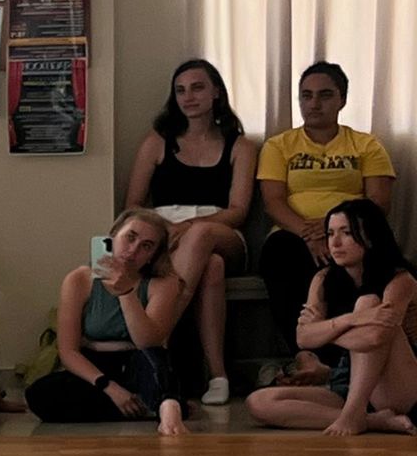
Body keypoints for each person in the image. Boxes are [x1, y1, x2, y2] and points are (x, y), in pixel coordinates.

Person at [126, 58, 257, 405]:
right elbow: (133, 205)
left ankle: (159, 338)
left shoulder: (240, 146)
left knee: (202, 238)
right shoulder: (157, 142)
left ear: (216, 92)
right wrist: (165, 230)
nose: (189, 97)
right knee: (210, 268)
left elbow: (238, 211)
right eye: (181, 90)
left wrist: (189, 227)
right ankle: (218, 375)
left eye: (198, 87)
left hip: (222, 230)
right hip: (163, 233)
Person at [257, 62, 395, 376]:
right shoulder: (279, 146)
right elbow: (273, 202)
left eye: (324, 95)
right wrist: (309, 234)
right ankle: (307, 356)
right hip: (293, 234)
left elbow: (378, 202)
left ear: (342, 100)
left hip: (354, 230)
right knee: (280, 254)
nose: (314, 103)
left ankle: (348, 360)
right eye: (306, 96)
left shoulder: (366, 145)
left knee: (354, 258)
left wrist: (330, 229)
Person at [246, 200, 417, 436]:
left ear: (370, 235)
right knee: (259, 402)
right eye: (330, 233)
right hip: (347, 381)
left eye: (346, 233)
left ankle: (353, 414)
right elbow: (303, 338)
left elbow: (375, 336)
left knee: (367, 302)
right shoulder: (324, 278)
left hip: (400, 384)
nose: (334, 243)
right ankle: (374, 420)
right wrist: (349, 321)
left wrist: (326, 332)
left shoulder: (400, 279)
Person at [24, 207, 188, 435]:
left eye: (146, 246)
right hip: (96, 367)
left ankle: (166, 405)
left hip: (141, 360)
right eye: (130, 238)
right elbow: (68, 351)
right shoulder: (79, 279)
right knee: (40, 394)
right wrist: (110, 388)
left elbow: (147, 340)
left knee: (158, 366)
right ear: (113, 236)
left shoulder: (163, 283)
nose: (133, 250)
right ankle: (147, 406)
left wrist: (125, 293)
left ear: (153, 255)